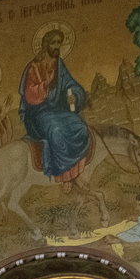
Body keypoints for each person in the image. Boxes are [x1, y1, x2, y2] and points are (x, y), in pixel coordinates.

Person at [19, 28, 90, 183]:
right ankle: (62, 175)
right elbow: (30, 95)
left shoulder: (59, 64)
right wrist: (46, 84)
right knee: (56, 130)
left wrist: (74, 96)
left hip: (58, 110)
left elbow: (70, 84)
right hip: (38, 113)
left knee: (81, 127)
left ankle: (74, 174)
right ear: (46, 45)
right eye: (53, 43)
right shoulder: (34, 67)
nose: (57, 46)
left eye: (59, 42)